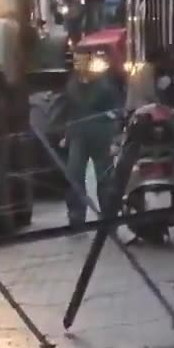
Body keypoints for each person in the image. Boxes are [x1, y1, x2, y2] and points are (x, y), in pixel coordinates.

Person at [63, 65, 122, 228]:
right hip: (78, 134)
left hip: (101, 134)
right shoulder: (72, 84)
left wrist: (115, 135)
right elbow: (69, 111)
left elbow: (117, 109)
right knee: (74, 174)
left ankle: (109, 217)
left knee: (105, 177)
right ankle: (76, 217)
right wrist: (67, 134)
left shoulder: (105, 85)